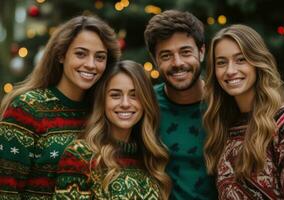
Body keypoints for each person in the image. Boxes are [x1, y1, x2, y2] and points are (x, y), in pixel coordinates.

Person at [0, 15, 121, 199]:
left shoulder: (103, 111)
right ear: (61, 55)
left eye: (100, 57)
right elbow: (6, 190)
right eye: (80, 54)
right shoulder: (27, 108)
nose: (90, 64)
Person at [204, 24, 284, 199]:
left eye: (241, 59)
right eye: (221, 62)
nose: (230, 71)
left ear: (257, 63)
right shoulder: (223, 127)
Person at [53, 60, 172, 199]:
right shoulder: (80, 155)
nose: (126, 104)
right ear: (102, 101)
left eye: (134, 95)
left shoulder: (150, 158)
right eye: (115, 95)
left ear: (145, 101)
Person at [144, 10, 217, 199]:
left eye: (185, 52)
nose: (178, 63)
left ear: (201, 52)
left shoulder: (223, 103)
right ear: (155, 60)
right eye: (166, 55)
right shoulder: (144, 104)